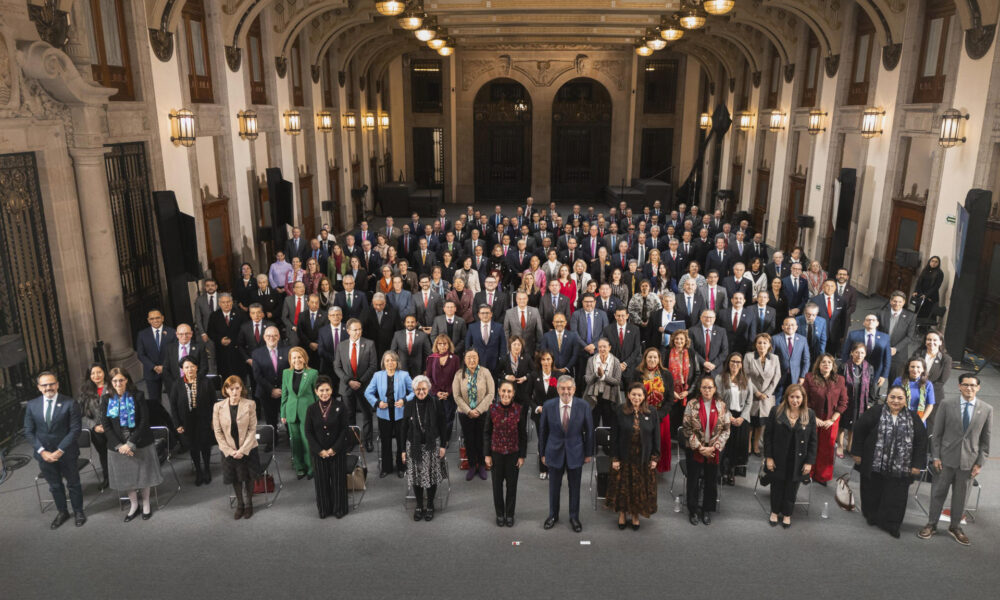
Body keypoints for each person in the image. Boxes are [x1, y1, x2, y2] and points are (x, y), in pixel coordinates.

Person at [918, 374, 993, 546]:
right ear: (959, 386)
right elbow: (936, 434)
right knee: (938, 493)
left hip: (969, 463)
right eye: (965, 385)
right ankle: (932, 524)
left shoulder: (987, 409)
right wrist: (936, 456)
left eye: (973, 385)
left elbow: (985, 441)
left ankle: (955, 527)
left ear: (978, 388)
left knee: (961, 497)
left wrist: (980, 463)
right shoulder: (946, 404)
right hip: (944, 460)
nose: (969, 388)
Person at [851, 385, 927, 538]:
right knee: (872, 491)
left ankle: (892, 525)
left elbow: (921, 442)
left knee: (896, 497)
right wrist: (857, 453)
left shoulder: (913, 418)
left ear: (906, 400)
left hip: (901, 468)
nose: (896, 401)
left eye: (900, 398)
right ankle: (872, 517)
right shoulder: (875, 412)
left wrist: (917, 465)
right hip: (874, 463)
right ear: (887, 398)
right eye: (892, 397)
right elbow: (859, 431)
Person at [25, 372, 87, 529]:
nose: (48, 388)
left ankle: (79, 512)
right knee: (55, 485)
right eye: (44, 385)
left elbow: (75, 430)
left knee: (73, 484)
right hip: (44, 456)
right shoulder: (32, 405)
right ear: (39, 387)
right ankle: (62, 512)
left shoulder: (70, 403)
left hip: (66, 453)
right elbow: (28, 431)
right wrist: (41, 451)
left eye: (51, 384)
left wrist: (60, 450)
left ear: (57, 384)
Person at [102, 368, 163, 522]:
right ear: (111, 383)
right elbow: (106, 425)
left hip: (140, 442)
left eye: (121, 380)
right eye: (115, 381)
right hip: (118, 447)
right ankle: (134, 505)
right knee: (127, 477)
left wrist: (131, 443)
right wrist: (120, 446)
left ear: (127, 380)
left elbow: (144, 421)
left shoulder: (138, 395)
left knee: (144, 476)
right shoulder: (106, 399)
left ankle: (147, 504)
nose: (118, 383)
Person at [540, 375, 595, 533]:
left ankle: (574, 517)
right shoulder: (548, 405)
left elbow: (589, 432)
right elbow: (543, 432)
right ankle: (552, 515)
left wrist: (588, 453)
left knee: (575, 487)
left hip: (576, 452)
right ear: (557, 389)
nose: (566, 391)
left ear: (574, 389)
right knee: (553, 487)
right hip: (553, 451)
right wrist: (542, 453)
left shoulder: (583, 406)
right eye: (562, 388)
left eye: (569, 388)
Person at [763, 384, 817, 528]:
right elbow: (767, 436)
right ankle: (774, 512)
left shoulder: (810, 414)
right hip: (778, 458)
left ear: (803, 398)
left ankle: (787, 514)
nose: (795, 400)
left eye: (798, 397)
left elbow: (813, 441)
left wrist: (809, 462)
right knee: (777, 486)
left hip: (798, 460)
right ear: (787, 397)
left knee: (792, 488)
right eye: (792, 397)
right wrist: (769, 457)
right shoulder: (776, 411)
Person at [607, 382, 660, 530]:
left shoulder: (652, 412)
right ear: (628, 395)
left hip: (643, 458)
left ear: (644, 397)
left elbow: (656, 437)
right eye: (634, 394)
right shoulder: (620, 410)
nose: (636, 397)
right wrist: (615, 458)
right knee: (624, 487)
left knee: (639, 488)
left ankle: (635, 514)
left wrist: (655, 457)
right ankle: (623, 514)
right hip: (624, 457)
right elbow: (614, 437)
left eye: (639, 395)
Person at [682, 375, 731, 525]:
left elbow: (726, 430)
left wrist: (714, 447)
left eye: (710, 387)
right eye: (704, 387)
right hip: (695, 449)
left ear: (715, 389)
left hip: (714, 450)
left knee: (711, 481)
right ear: (700, 389)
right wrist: (700, 447)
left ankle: (706, 510)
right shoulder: (692, 404)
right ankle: (693, 510)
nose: (707, 390)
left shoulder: (722, 405)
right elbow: (686, 428)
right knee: (693, 480)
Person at [212, 375, 261, 520]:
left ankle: (249, 504)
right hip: (229, 450)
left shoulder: (250, 404)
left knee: (248, 478)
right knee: (236, 478)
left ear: (242, 389)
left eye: (237, 388)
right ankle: (240, 505)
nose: (234, 392)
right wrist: (230, 451)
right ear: (226, 390)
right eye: (231, 389)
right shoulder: (218, 407)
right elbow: (218, 431)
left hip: (248, 448)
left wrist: (242, 450)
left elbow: (253, 429)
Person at [402, 375, 449, 521]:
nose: (421, 392)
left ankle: (429, 505)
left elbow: (443, 425)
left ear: (428, 389)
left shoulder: (435, 403)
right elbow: (403, 428)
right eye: (418, 389)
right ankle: (418, 505)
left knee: (431, 475)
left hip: (431, 445)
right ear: (414, 390)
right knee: (416, 476)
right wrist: (403, 451)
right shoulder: (409, 405)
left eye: (423, 389)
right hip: (413, 445)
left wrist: (443, 445)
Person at [484, 381, 528, 527]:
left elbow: (523, 434)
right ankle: (499, 514)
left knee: (512, 486)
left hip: (513, 454)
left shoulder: (519, 409)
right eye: (503, 391)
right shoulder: (492, 408)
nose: (506, 394)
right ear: (498, 391)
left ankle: (509, 514)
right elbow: (487, 433)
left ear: (513, 393)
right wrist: (487, 454)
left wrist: (522, 455)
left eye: (509, 391)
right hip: (496, 453)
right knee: (497, 486)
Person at [365, 350, 414, 479]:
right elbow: (367, 392)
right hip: (384, 413)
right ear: (383, 363)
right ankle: (386, 467)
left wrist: (404, 400)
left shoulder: (404, 375)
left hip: (401, 413)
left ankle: (401, 466)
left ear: (397, 362)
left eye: (392, 360)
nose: (390, 363)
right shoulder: (377, 375)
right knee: (385, 442)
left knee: (401, 441)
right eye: (387, 360)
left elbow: (414, 391)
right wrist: (377, 403)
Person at [169, 357, 216, 485]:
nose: (190, 369)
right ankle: (198, 471)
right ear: (183, 369)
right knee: (193, 447)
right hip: (186, 421)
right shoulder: (177, 384)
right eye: (186, 367)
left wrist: (213, 420)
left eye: (192, 366)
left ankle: (207, 469)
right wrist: (177, 424)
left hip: (204, 419)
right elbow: (173, 405)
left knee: (205, 445)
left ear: (196, 367)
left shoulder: (206, 382)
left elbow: (214, 403)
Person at [802, 354, 847, 485]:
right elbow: (804, 400)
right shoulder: (809, 377)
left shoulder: (840, 380)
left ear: (833, 365)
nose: (826, 364)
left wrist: (832, 420)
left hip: (831, 419)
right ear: (818, 365)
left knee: (827, 448)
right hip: (812, 417)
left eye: (829, 362)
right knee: (811, 446)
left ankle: (822, 476)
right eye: (823, 362)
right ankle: (807, 473)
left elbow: (843, 402)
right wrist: (813, 418)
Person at [453, 349, 495, 481]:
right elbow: (457, 395)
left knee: (482, 439)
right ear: (464, 360)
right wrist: (468, 411)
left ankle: (482, 465)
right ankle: (472, 465)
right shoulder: (459, 374)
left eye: (474, 357)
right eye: (469, 357)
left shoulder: (485, 372)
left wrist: (478, 409)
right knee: (469, 439)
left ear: (478, 358)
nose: (472, 360)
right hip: (465, 413)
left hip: (483, 412)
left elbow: (491, 393)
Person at [281, 346, 318, 479]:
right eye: (294, 357)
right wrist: (283, 413)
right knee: (295, 442)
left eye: (299, 357)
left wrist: (318, 412)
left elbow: (317, 394)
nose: (297, 360)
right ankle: (299, 467)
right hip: (291, 412)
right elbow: (284, 394)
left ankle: (310, 467)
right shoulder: (286, 373)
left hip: (307, 412)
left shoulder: (313, 373)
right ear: (290, 360)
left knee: (307, 440)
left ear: (304, 358)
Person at [717, 353, 755, 485]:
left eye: (738, 362)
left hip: (741, 417)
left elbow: (749, 401)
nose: (735, 364)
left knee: (737, 447)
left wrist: (742, 417)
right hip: (725, 415)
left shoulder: (746, 379)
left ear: (741, 365)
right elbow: (719, 400)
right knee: (725, 446)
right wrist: (729, 416)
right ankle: (722, 471)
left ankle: (732, 471)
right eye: (733, 361)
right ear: (728, 362)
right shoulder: (720, 378)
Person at [840, 342, 879, 458]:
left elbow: (872, 385)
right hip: (846, 399)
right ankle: (840, 445)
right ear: (852, 353)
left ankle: (850, 446)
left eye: (862, 353)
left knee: (855, 424)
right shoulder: (844, 366)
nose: (859, 355)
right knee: (843, 423)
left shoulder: (869, 368)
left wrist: (871, 402)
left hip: (861, 401)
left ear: (865, 354)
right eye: (857, 352)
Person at [77, 363, 110, 490]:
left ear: (104, 372)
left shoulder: (112, 386)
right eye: (93, 373)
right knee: (103, 454)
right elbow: (82, 413)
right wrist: (94, 426)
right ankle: (107, 477)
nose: (96, 375)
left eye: (99, 372)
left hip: (113, 427)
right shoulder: (85, 391)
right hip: (96, 430)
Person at [583, 337, 623, 427]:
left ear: (609, 348)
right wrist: (596, 374)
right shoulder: (591, 360)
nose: (602, 349)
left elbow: (617, 381)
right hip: (594, 397)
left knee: (608, 425)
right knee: (593, 425)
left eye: (604, 347)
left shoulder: (616, 361)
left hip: (609, 397)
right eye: (600, 347)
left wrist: (603, 377)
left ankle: (607, 441)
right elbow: (588, 380)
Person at [912, 329, 952, 411]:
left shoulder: (946, 359)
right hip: (914, 393)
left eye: (935, 340)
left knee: (930, 423)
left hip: (933, 396)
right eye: (929, 339)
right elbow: (910, 372)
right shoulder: (917, 354)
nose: (931, 342)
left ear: (940, 342)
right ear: (925, 341)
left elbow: (942, 381)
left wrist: (925, 390)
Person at [893, 357, 936, 425]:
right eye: (912, 367)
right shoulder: (899, 381)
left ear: (923, 369)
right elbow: (892, 400)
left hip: (919, 420)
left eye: (918, 367)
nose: (915, 370)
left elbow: (930, 405)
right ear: (908, 368)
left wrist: (921, 421)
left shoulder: (928, 384)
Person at [497, 336, 533, 407]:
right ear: (510, 346)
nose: (517, 347)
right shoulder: (504, 358)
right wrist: (506, 377)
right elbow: (497, 372)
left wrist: (525, 377)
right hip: (509, 393)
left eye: (519, 345)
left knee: (522, 415)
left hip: (523, 391)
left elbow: (534, 371)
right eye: (514, 344)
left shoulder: (527, 357)